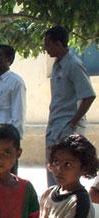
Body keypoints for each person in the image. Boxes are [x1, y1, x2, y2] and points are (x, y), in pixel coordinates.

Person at [44, 25, 96, 186]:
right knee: (53, 170)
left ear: (58, 43)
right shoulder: (57, 65)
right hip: (54, 125)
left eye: (48, 44)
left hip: (68, 128)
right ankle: (54, 204)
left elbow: (88, 95)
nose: (46, 48)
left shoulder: (73, 64)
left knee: (67, 174)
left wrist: (73, 123)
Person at [0, 44, 26, 139]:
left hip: (5, 134)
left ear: (9, 59)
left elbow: (19, 113)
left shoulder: (16, 82)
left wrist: (16, 137)